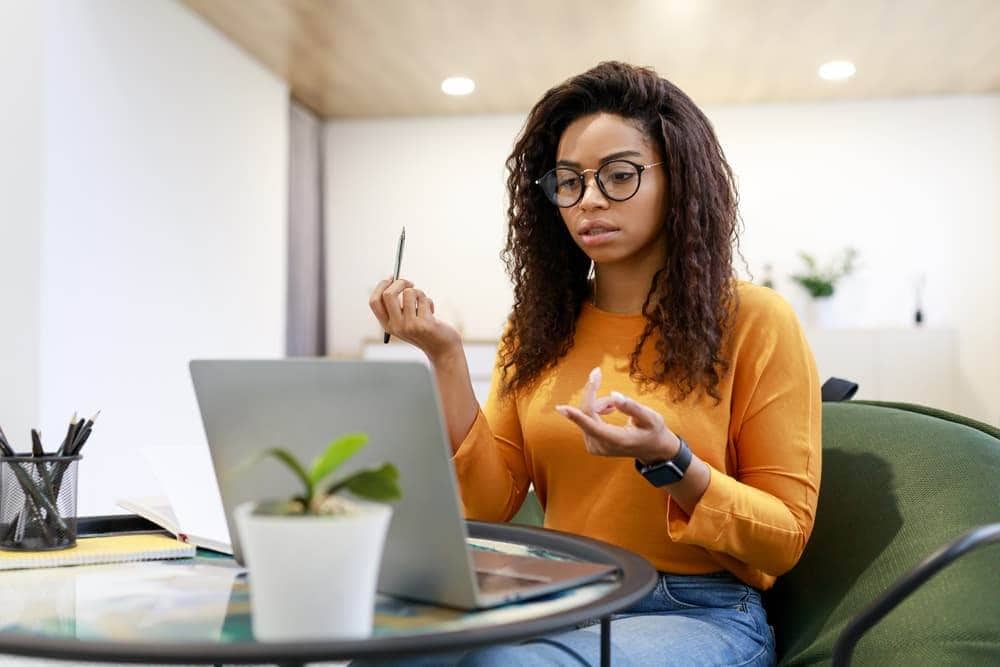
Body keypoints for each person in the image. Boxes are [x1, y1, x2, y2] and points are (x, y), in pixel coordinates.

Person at [368, 61, 821, 666]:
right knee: (391, 649)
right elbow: (483, 506)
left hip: (694, 610)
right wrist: (445, 356)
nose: (590, 201)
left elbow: (785, 536)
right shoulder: (539, 328)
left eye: (619, 176)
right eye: (569, 182)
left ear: (679, 179)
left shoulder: (756, 320)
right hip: (560, 595)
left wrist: (670, 460)